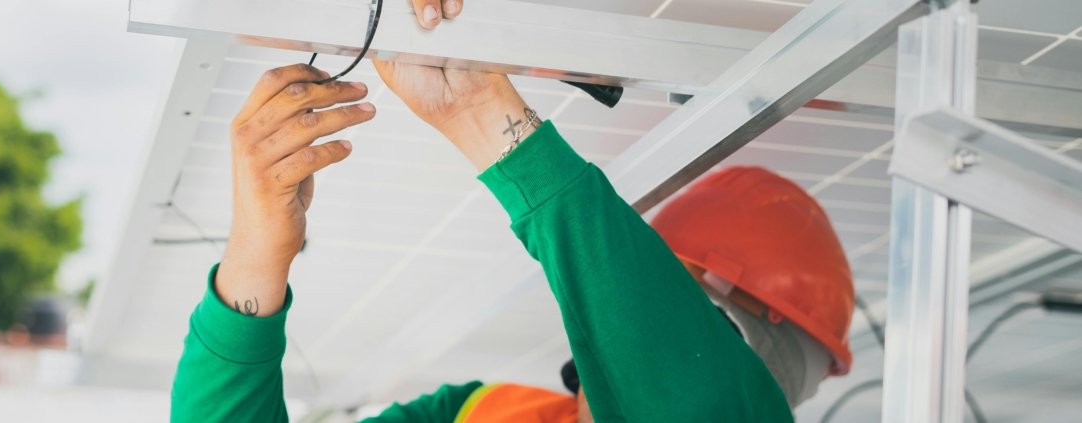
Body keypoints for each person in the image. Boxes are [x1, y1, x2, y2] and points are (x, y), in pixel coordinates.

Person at [169, 1, 854, 421]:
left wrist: (491, 123)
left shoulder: (717, 403)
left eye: (695, 319)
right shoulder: (478, 414)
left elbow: (695, 403)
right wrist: (257, 255)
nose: (663, 336)